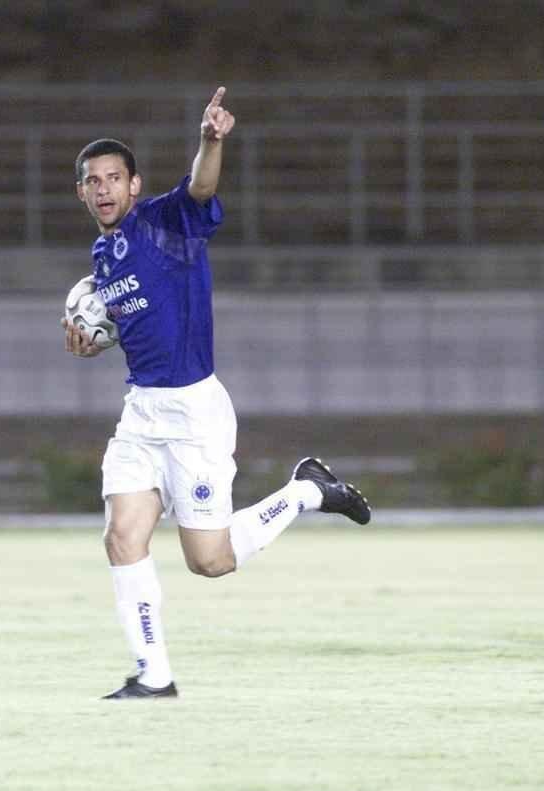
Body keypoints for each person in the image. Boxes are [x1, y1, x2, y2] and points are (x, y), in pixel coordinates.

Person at [62, 87, 372, 700]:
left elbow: (201, 188)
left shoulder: (164, 222)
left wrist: (210, 142)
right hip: (141, 412)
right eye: (93, 181)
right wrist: (94, 342)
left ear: (133, 185)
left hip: (193, 414)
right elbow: (136, 324)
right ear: (81, 192)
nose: (104, 189)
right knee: (122, 536)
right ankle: (154, 677)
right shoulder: (102, 256)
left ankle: (307, 490)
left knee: (211, 561)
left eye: (114, 178)